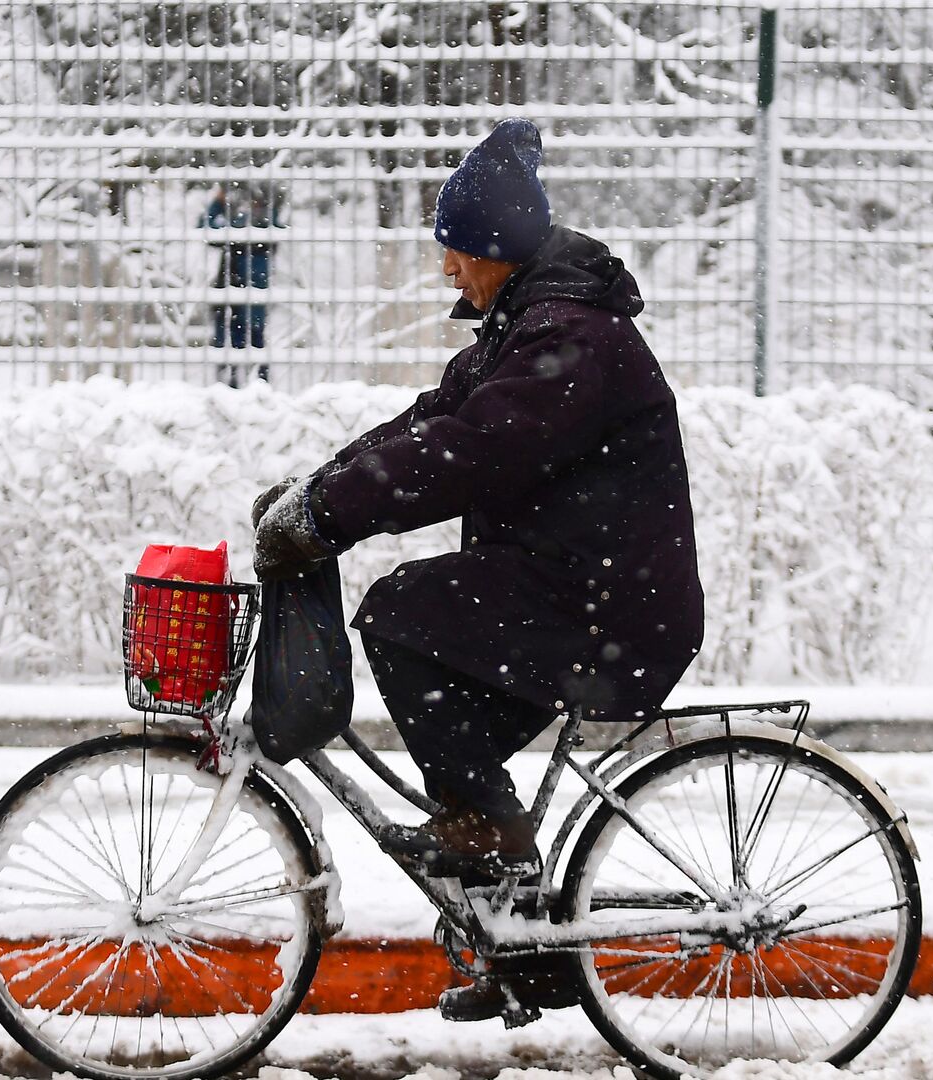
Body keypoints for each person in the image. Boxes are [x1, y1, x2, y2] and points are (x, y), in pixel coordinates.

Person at [250, 119, 705, 1021]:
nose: (446, 270)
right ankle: (517, 939)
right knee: (447, 718)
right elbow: (430, 421)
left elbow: (468, 451)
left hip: (606, 612)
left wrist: (336, 516)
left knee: (399, 611)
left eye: (455, 250)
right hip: (574, 596)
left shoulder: (569, 343)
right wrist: (318, 489)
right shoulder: (526, 332)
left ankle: (492, 839)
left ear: (496, 247)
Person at [204, 181, 283, 385]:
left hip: (247, 295)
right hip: (231, 293)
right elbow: (208, 229)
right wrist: (218, 203)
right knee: (233, 345)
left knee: (249, 344)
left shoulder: (262, 227)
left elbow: (210, 227)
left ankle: (250, 385)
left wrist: (218, 204)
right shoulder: (246, 226)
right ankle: (235, 384)